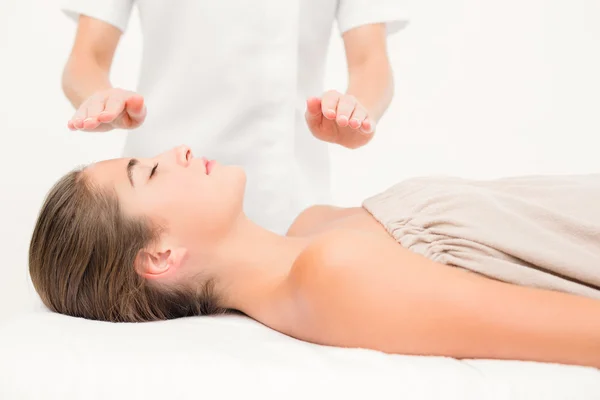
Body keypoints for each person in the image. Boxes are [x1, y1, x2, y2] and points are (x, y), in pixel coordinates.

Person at [29, 145, 600, 369]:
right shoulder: (333, 279)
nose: (176, 150)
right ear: (159, 255)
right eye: (150, 172)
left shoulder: (313, 227)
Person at [59, 0, 408, 234]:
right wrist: (98, 99)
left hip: (289, 202)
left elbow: (370, 63)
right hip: (159, 206)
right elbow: (85, 59)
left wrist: (360, 113)